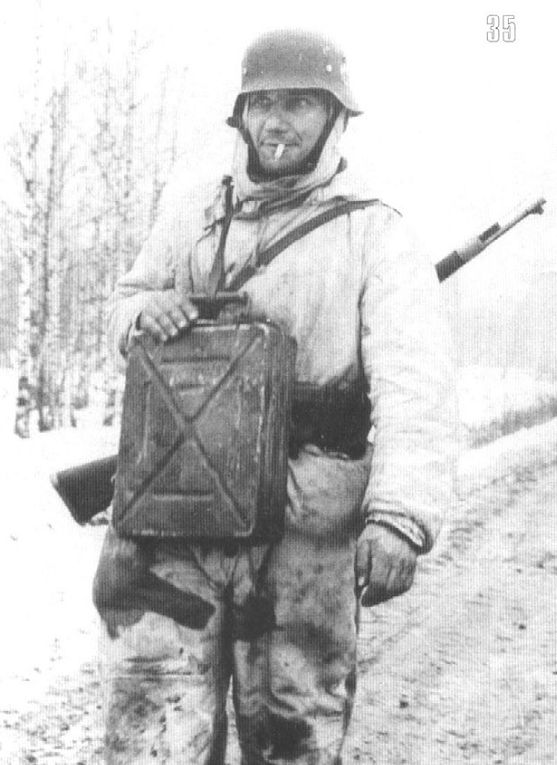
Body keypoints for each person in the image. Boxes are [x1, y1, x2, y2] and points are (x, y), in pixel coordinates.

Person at [93, 28, 458, 765]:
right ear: (240, 115)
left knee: (292, 728)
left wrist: (400, 517)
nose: (276, 122)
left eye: (298, 103)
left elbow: (414, 386)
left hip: (304, 517)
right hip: (176, 506)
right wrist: (144, 313)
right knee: (152, 718)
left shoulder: (375, 231)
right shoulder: (194, 207)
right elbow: (126, 302)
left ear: (335, 117)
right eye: (261, 104)